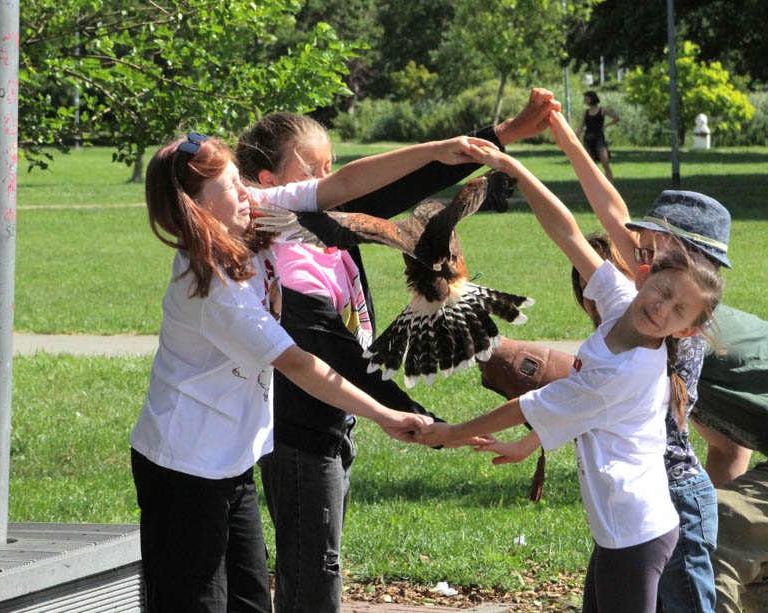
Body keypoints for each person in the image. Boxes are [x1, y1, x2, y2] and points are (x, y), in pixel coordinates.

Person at [542, 116, 768, 612]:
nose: (636, 255)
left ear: (685, 259)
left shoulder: (679, 320)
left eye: (649, 248)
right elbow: (729, 449)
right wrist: (564, 134)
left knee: (705, 547)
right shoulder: (671, 310)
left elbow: (608, 223)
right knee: (757, 573)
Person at [130, 131, 495, 612]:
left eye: (241, 180)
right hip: (184, 469)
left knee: (250, 602)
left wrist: (434, 151)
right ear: (197, 209)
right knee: (196, 603)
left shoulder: (250, 214)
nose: (247, 192)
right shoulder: (214, 291)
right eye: (231, 187)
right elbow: (300, 364)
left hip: (231, 461)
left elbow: (340, 187)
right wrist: (385, 414)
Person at [234, 89, 561, 612]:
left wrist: (501, 136)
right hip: (299, 439)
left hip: (332, 427)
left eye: (330, 168)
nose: (328, 180)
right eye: (313, 171)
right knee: (314, 585)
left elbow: (399, 187)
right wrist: (427, 423)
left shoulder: (321, 224)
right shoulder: (281, 262)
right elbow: (338, 360)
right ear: (268, 184)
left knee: (315, 576)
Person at [414, 141, 725, 613]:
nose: (661, 308)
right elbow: (568, 232)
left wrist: (451, 434)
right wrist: (515, 169)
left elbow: (531, 405)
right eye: (662, 291)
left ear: (685, 330)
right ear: (643, 275)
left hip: (636, 533)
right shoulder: (622, 302)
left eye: (678, 310)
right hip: (622, 527)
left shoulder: (626, 372)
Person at [577, 90, 619, 183]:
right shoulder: (586, 112)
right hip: (588, 139)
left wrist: (606, 125)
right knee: (590, 164)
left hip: (599, 139)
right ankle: (594, 184)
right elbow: (581, 126)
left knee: (605, 162)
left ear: (592, 98)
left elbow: (616, 118)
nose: (585, 101)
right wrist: (575, 137)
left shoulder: (602, 110)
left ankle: (610, 185)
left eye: (586, 99)